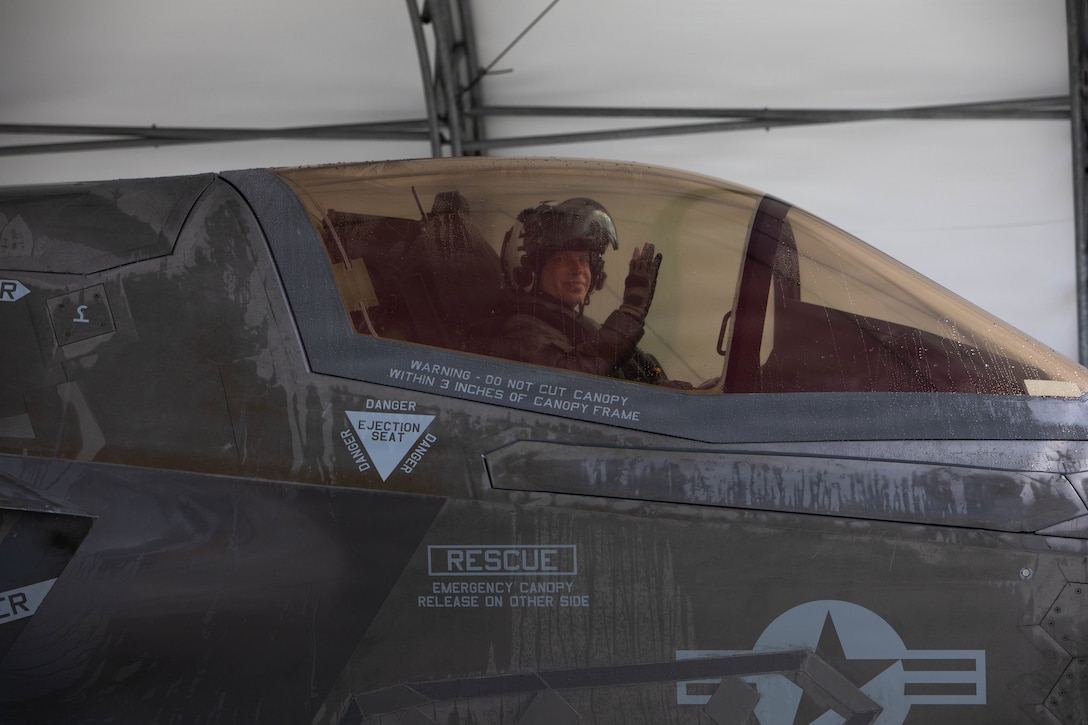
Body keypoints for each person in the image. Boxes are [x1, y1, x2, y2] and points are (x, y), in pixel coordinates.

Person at [487, 197, 670, 383]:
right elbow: (567, 379)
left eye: (583, 259)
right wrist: (629, 315)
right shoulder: (521, 329)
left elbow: (649, 375)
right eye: (563, 259)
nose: (578, 269)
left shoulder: (581, 327)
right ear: (530, 269)